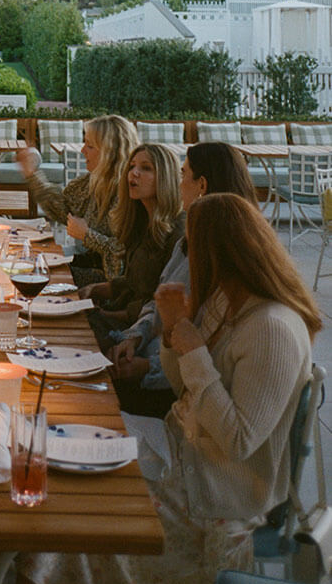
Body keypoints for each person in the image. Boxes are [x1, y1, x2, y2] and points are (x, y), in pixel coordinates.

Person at [18, 194, 321, 584]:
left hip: (212, 504)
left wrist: (193, 349)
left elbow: (238, 440)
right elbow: (184, 389)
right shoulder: (226, 302)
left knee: (67, 517)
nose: (188, 256)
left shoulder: (271, 328)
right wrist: (170, 330)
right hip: (174, 456)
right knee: (54, 457)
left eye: (194, 245)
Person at [108, 142, 258, 417]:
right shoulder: (189, 240)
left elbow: (208, 346)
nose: (177, 185)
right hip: (154, 363)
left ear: (201, 185)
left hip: (175, 392)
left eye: (182, 175)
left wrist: (146, 367)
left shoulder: (220, 255)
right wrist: (133, 338)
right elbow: (158, 302)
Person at [17, 114, 138, 286]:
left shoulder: (128, 195)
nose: (82, 150)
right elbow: (62, 209)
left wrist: (87, 235)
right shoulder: (93, 182)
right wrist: (31, 173)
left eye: (90, 146)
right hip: (86, 265)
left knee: (33, 275)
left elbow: (122, 259)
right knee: (27, 267)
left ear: (109, 152)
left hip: (107, 284)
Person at [81, 143, 184, 345]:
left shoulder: (177, 231)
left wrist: (106, 314)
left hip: (143, 334)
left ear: (165, 177)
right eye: (132, 166)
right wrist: (96, 289)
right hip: (120, 314)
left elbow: (158, 302)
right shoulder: (140, 221)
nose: (133, 173)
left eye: (146, 168)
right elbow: (133, 281)